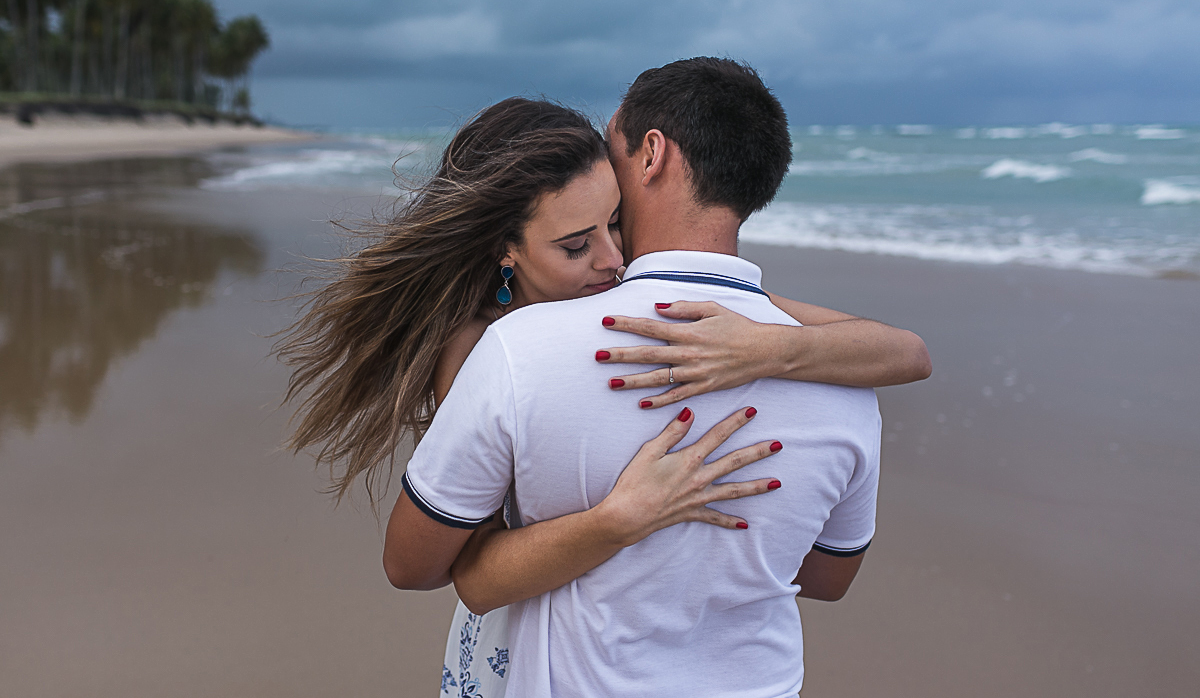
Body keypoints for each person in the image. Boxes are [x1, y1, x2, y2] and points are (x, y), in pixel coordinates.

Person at [281, 84, 927, 695]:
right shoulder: (483, 349)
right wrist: (621, 518)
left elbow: (905, 351)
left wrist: (771, 345)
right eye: (574, 245)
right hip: (523, 648)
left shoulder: (615, 294)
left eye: (614, 224)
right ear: (507, 251)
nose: (613, 258)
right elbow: (452, 569)